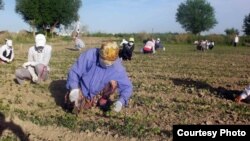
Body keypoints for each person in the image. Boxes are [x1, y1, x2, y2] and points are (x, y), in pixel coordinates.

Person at [65, 41, 133, 114]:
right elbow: (74, 71)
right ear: (100, 54)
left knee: (113, 83)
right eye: (104, 61)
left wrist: (121, 102)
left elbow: (127, 87)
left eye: (109, 63)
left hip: (98, 93)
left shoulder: (117, 68)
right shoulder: (90, 55)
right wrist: (74, 88)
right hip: (81, 89)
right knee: (72, 105)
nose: (106, 65)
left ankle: (102, 100)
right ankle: (81, 100)